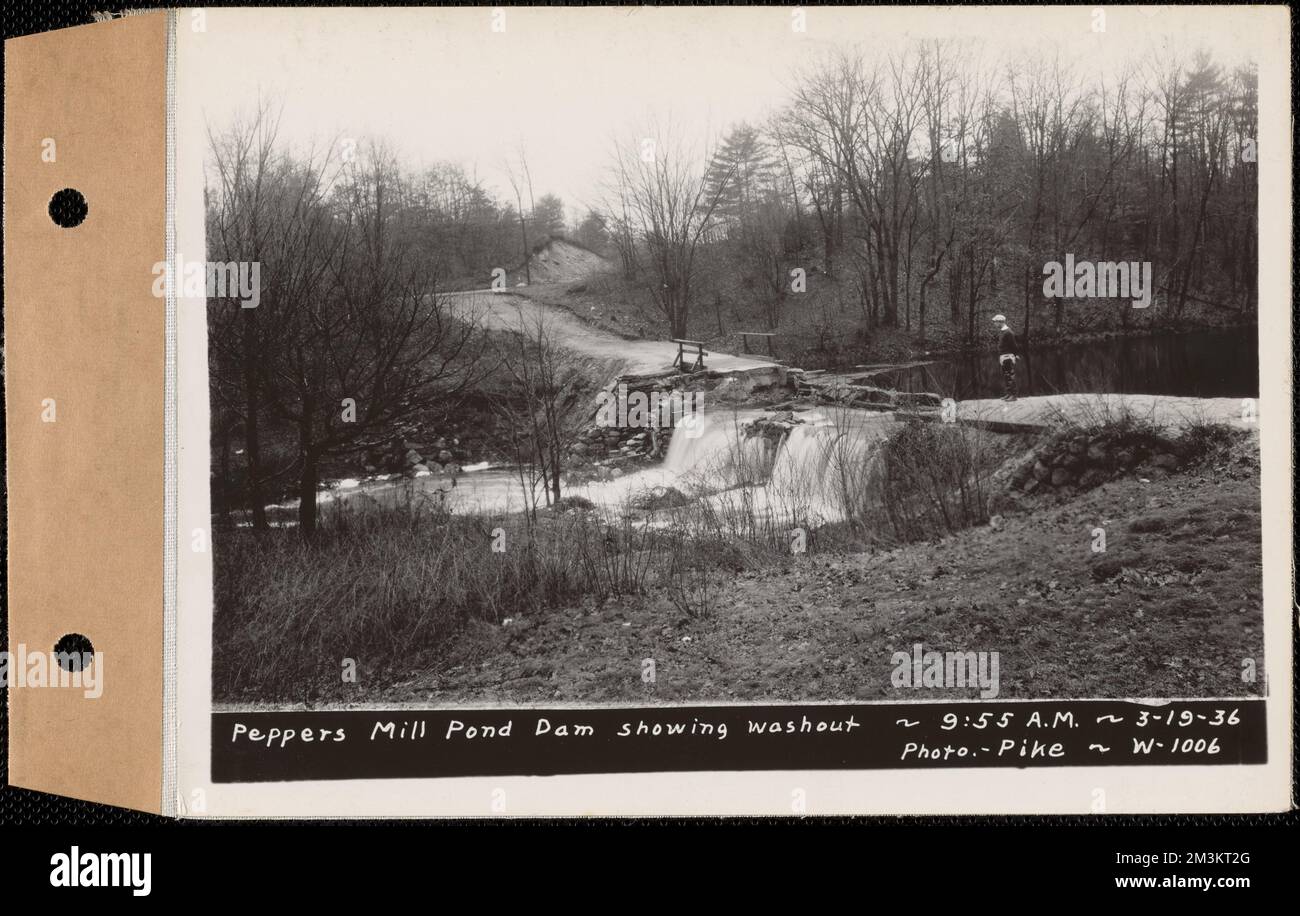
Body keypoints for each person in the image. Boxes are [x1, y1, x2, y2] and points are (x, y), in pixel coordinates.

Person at [992, 314, 1018, 401]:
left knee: (1010, 376)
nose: (994, 324)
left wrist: (1015, 355)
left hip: (1008, 357)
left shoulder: (1008, 332)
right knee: (1006, 376)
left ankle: (1013, 395)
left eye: (995, 322)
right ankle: (1008, 393)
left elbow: (1014, 345)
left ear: (1000, 322)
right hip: (1003, 357)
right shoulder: (1003, 332)